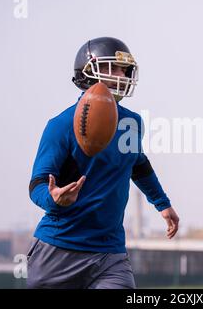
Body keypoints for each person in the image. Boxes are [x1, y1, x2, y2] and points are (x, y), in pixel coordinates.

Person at [27, 37, 179, 289]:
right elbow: (38, 184)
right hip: (59, 250)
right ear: (89, 71)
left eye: (124, 69)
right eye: (114, 67)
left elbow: (138, 165)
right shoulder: (60, 125)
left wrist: (162, 203)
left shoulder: (132, 123)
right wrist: (53, 198)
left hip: (110, 254)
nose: (123, 74)